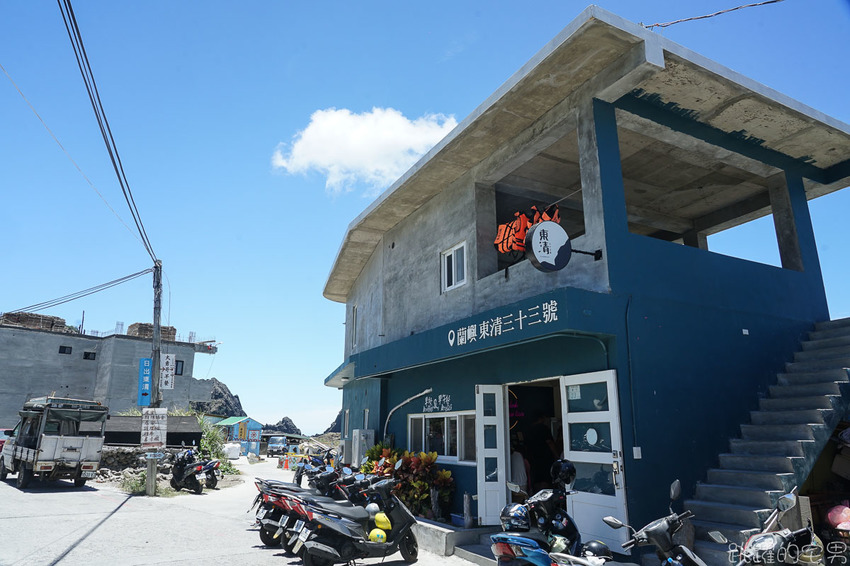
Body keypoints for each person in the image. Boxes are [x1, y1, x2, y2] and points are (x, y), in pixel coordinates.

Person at [525, 411, 559, 492]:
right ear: (541, 418)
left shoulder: (529, 430)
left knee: (537, 478)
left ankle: (537, 496)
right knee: (545, 478)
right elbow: (550, 442)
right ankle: (546, 497)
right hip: (545, 458)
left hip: (533, 458)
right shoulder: (544, 428)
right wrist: (556, 455)